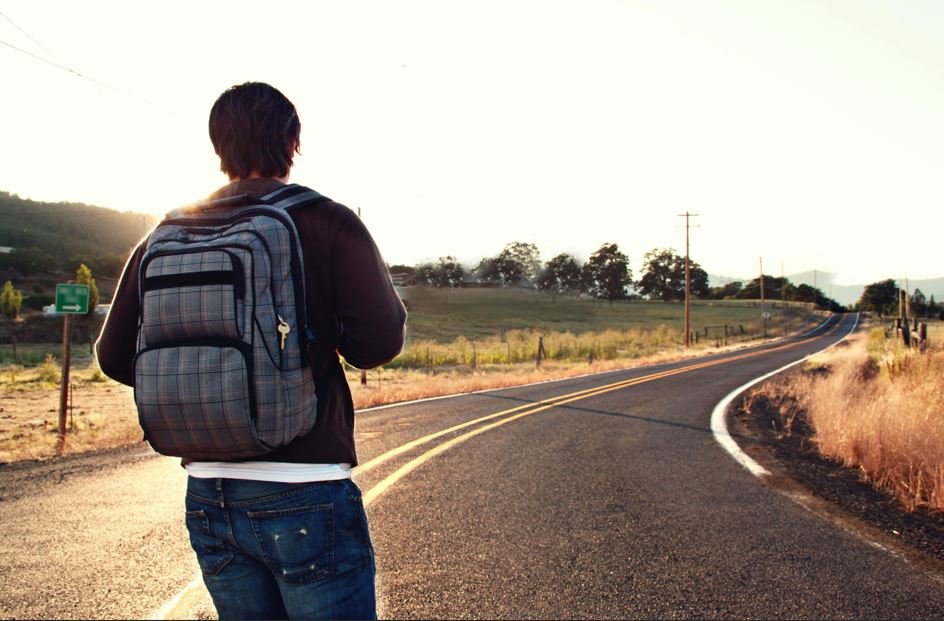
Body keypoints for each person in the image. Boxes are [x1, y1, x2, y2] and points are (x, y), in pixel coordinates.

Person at [96, 81, 407, 620]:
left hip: (208, 492)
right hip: (306, 485)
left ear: (218, 146)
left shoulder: (168, 230)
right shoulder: (328, 220)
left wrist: (204, 386)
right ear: (293, 141)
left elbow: (114, 355)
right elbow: (379, 343)